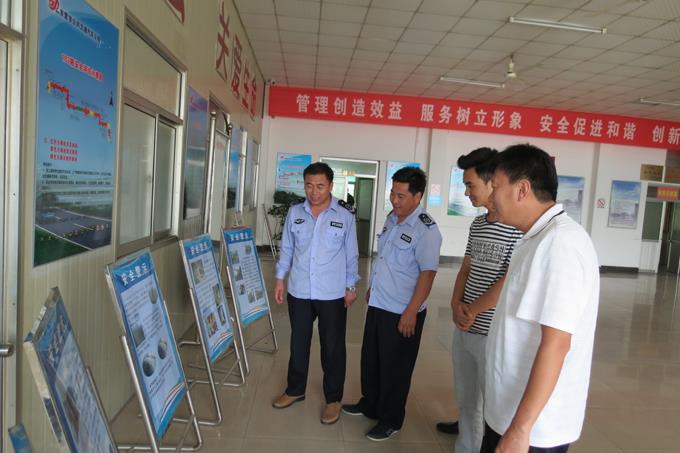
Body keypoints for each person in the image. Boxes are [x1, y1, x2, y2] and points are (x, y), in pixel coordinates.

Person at [481, 144, 600, 452]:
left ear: (522, 189)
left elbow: (556, 343)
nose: (490, 196)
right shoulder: (537, 237)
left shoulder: (560, 244)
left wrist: (520, 429)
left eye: (495, 186)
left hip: (534, 429)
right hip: (509, 412)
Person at [342, 166, 442, 441]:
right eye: (392, 194)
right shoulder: (392, 218)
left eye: (401, 196)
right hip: (379, 303)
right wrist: (373, 287)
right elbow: (386, 258)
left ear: (418, 196)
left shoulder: (426, 230)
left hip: (402, 310)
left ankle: (391, 419)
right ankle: (371, 403)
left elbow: (428, 274)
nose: (394, 200)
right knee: (372, 359)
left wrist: (411, 312)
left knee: (395, 368)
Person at [436, 148, 522, 453]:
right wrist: (455, 304)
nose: (466, 192)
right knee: (467, 398)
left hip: (491, 333)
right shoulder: (478, 224)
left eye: (470, 185)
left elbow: (508, 281)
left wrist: (471, 310)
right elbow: (466, 268)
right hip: (465, 327)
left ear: (491, 183)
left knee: (493, 406)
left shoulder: (516, 229)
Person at [272, 162, 360, 425]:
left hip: (332, 293)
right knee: (298, 343)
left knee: (332, 348)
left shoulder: (344, 214)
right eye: (309, 185)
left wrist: (351, 287)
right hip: (300, 289)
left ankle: (333, 399)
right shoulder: (295, 212)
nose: (314, 191)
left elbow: (351, 254)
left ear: (331, 185)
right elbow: (287, 248)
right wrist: (279, 279)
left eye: (320, 186)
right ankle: (295, 390)